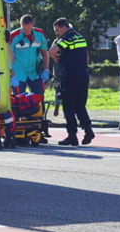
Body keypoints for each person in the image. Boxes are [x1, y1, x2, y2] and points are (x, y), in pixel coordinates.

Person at [48, 18, 94, 146]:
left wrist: (57, 57)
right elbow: (87, 57)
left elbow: (51, 52)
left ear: (64, 27)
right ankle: (88, 130)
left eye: (57, 30)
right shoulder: (80, 37)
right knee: (80, 105)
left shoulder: (66, 39)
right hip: (84, 74)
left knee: (68, 106)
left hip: (70, 76)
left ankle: (72, 136)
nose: (56, 33)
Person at [9, 15, 50, 96]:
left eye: (28, 28)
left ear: (32, 25)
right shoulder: (14, 36)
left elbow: (44, 52)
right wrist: (12, 75)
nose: (26, 31)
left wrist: (46, 69)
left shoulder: (40, 34)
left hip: (34, 73)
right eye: (23, 28)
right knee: (19, 101)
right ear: (20, 25)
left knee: (39, 98)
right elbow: (8, 56)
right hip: (18, 74)